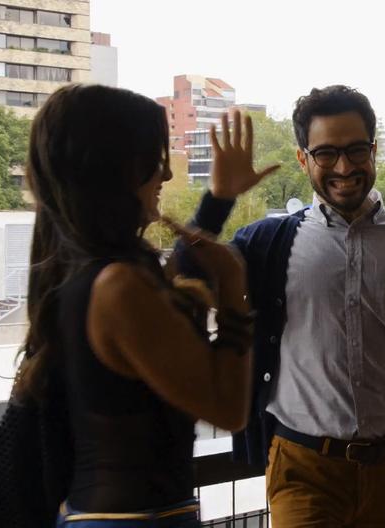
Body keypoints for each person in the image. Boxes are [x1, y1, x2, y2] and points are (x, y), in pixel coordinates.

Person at [180, 86, 385, 527]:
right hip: (304, 470)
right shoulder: (267, 245)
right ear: (303, 159)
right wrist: (218, 199)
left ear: (374, 151)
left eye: (356, 150)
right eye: (325, 153)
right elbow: (184, 271)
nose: (344, 167)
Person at [15, 84, 253, 527]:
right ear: (119, 168)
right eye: (155, 159)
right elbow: (229, 410)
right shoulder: (120, 285)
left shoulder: (81, 269)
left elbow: (183, 272)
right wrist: (235, 293)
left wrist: (219, 200)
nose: (164, 176)